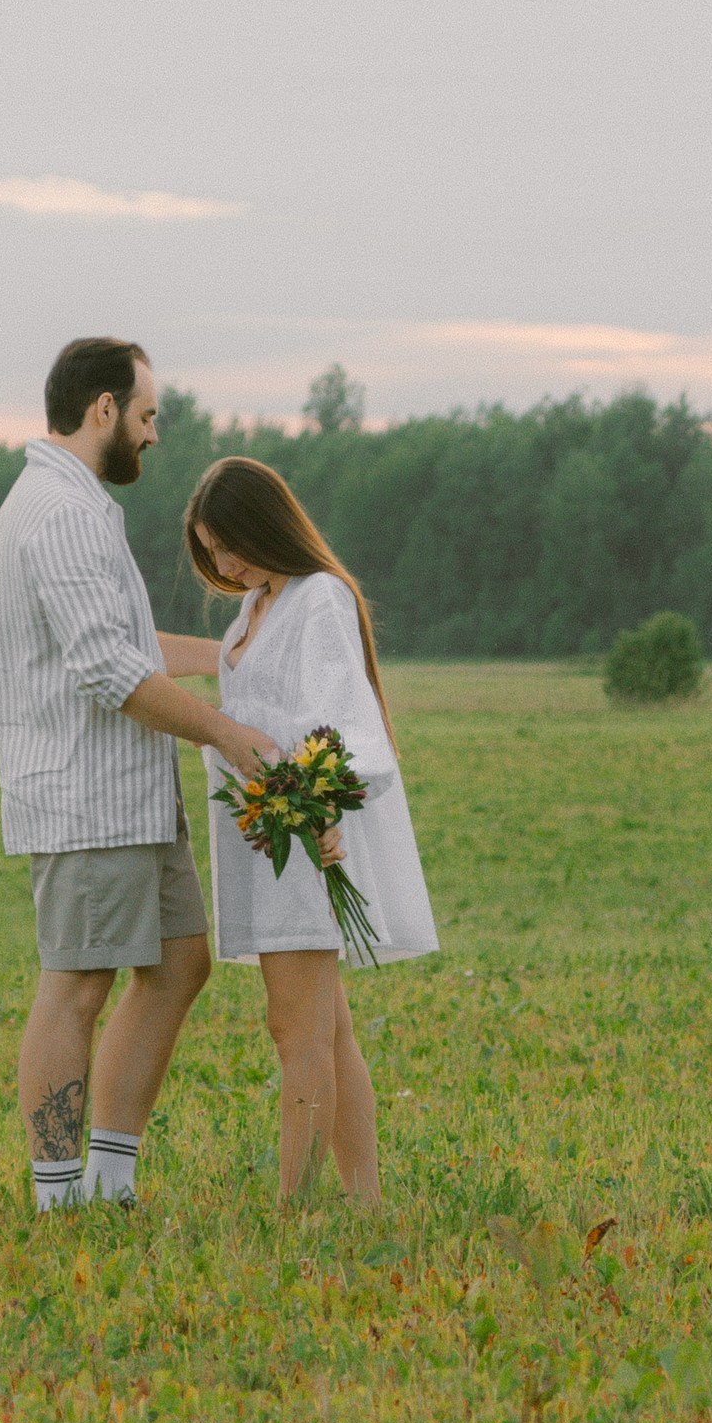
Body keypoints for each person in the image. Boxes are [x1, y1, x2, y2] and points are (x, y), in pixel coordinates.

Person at [0, 338, 282, 1211]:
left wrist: (239, 650)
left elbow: (127, 644)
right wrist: (225, 732)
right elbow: (108, 671)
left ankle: (111, 1183)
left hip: (130, 795)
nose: (154, 435)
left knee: (181, 962)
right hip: (86, 797)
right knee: (77, 984)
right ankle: (57, 1197)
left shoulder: (76, 504)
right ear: (104, 408)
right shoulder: (60, 512)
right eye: (148, 416)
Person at [182, 457, 439, 1205]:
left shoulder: (317, 597)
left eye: (232, 546)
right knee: (326, 1032)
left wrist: (322, 809)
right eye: (212, 552)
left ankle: (292, 1209)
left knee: (295, 1030)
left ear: (267, 525)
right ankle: (365, 1201)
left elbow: (342, 719)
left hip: (297, 833)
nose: (226, 565)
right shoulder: (255, 607)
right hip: (270, 835)